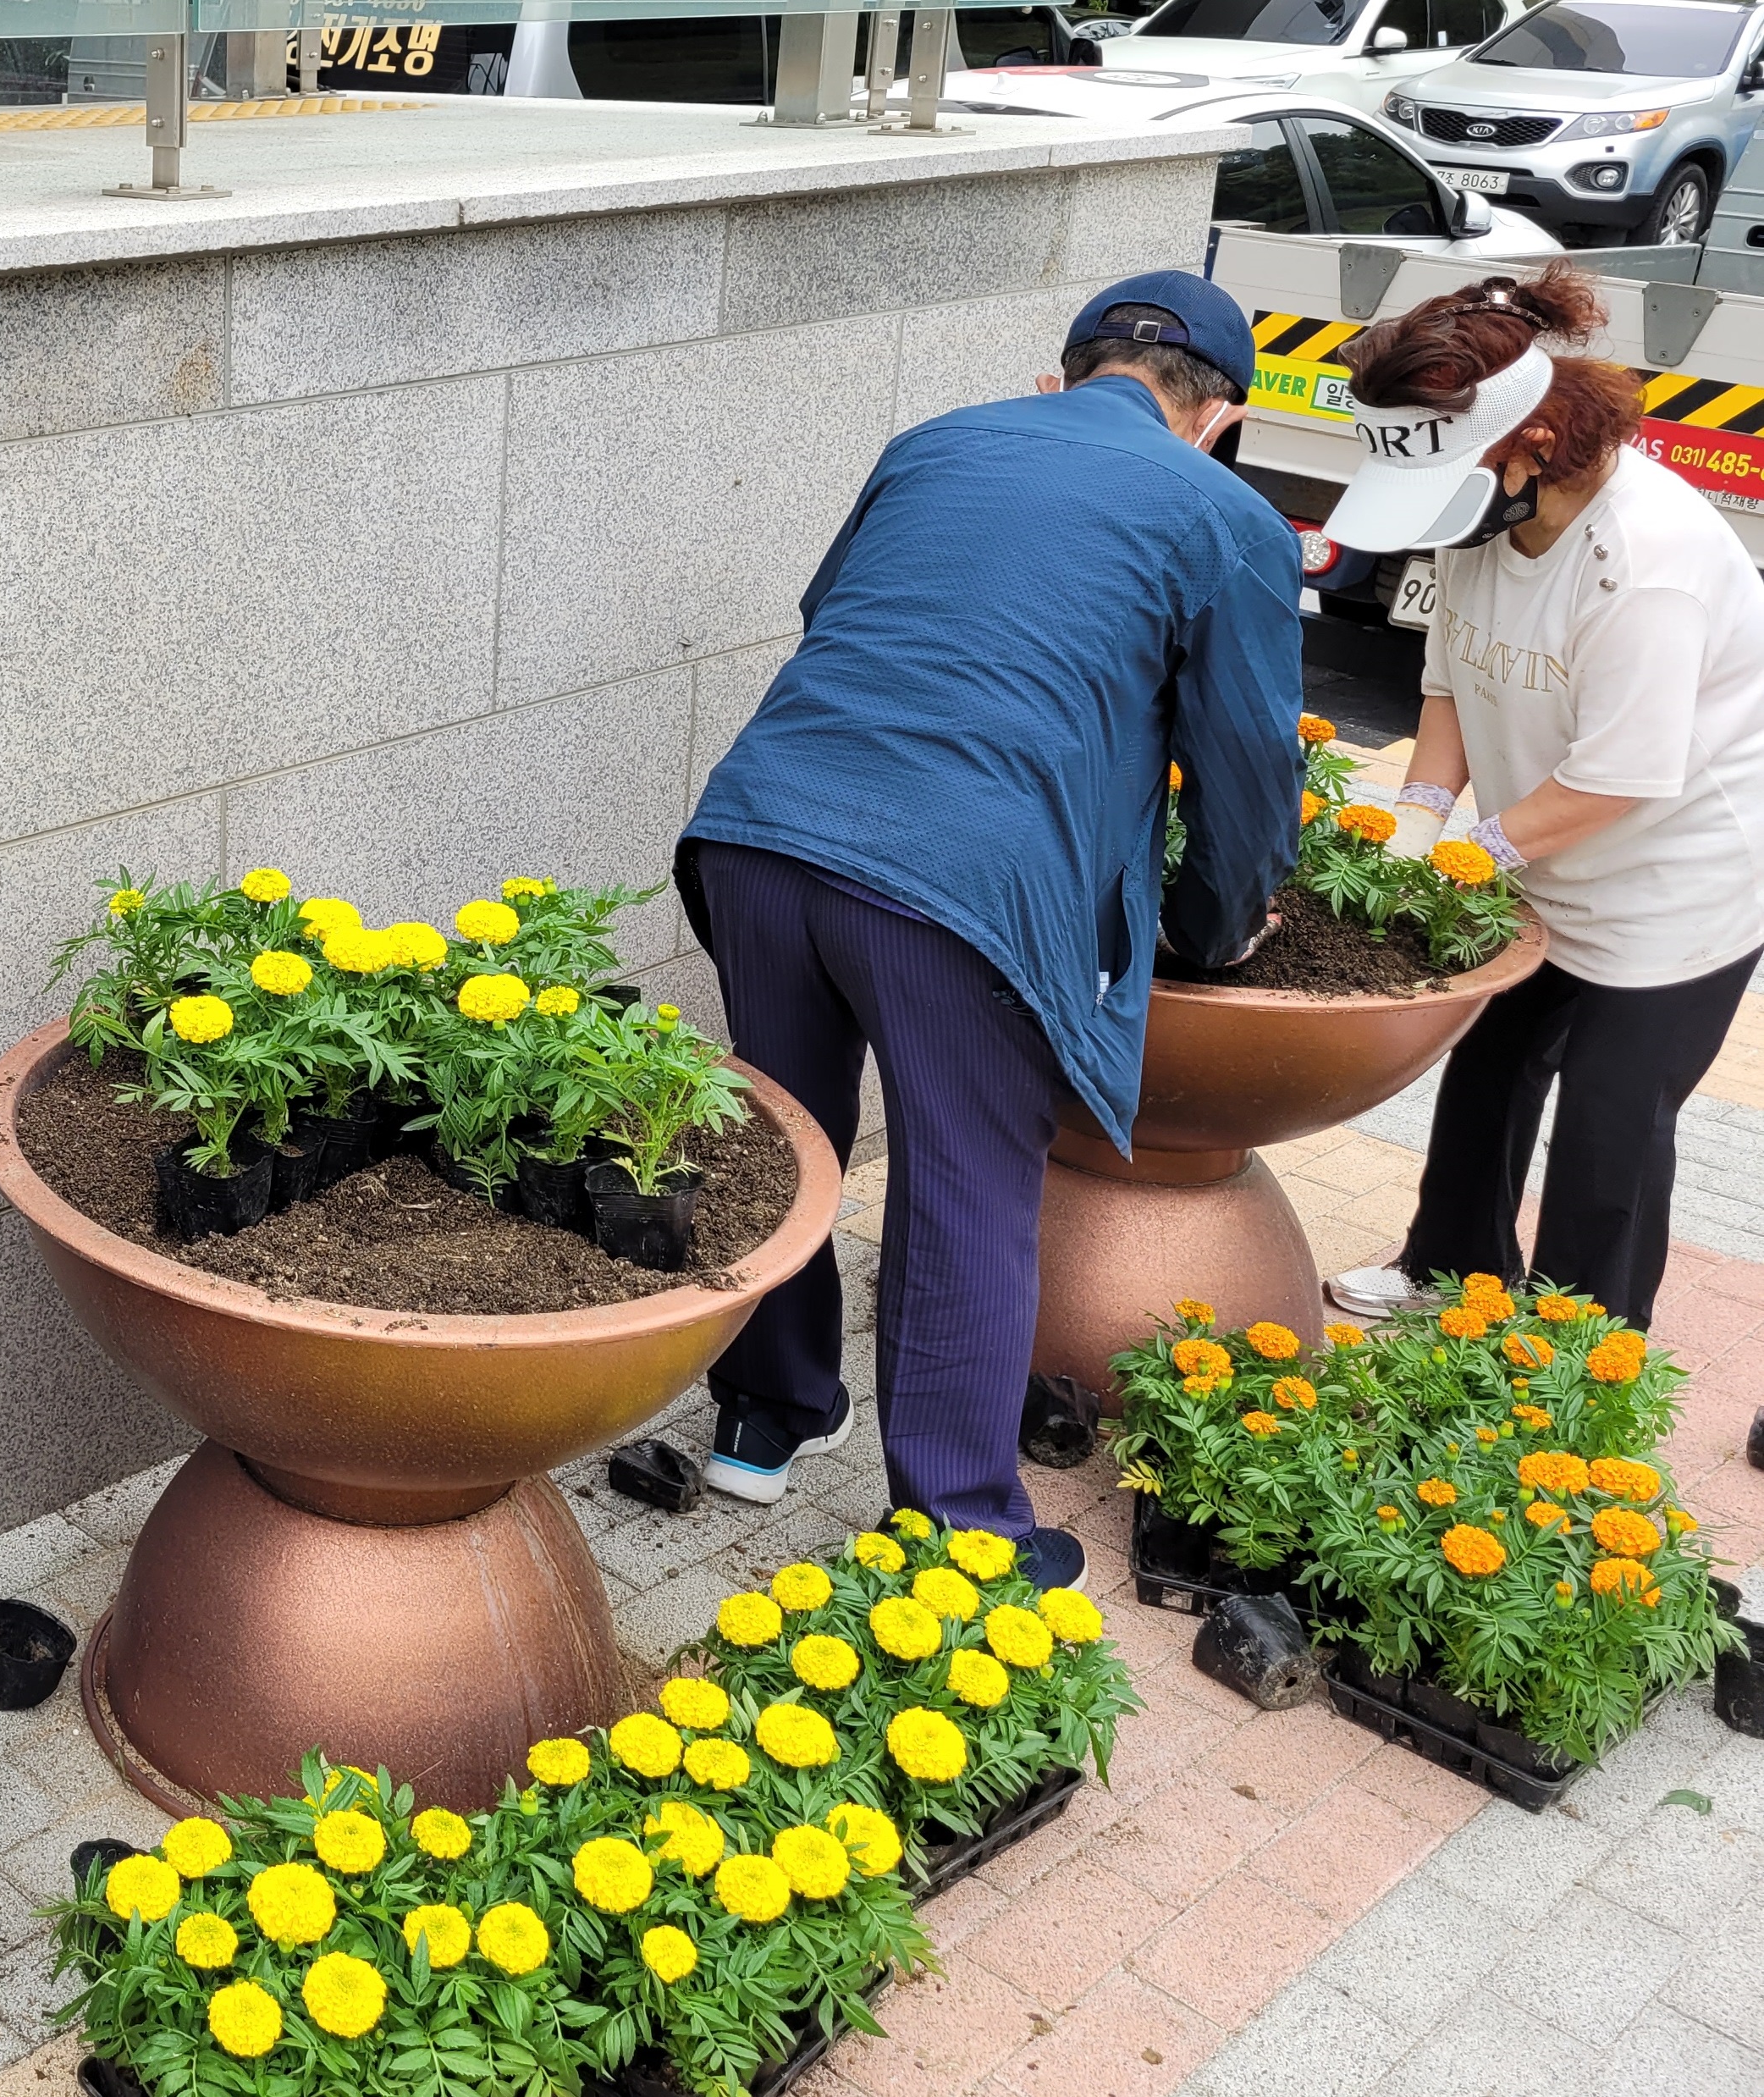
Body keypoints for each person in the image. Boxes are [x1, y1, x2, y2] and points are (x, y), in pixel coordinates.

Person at [675, 273, 1304, 1578]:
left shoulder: (936, 441)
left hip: (759, 830)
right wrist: (1209, 925)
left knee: (787, 1142)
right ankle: (956, 1528)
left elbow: (831, 617)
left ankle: (763, 1415)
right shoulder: (1221, 515)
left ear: (1062, 372)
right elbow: (1243, 766)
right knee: (962, 1191)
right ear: (1219, 413)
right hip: (957, 885)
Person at [1319, 267, 1764, 1332]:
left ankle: (1575, 1362)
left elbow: (1621, 776)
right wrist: (1419, 821)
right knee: (1488, 1069)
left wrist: (1470, 852)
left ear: (1536, 441)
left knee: (1610, 1134)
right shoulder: (1477, 521)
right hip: (1534, 852)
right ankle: (1450, 1273)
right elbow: (1452, 682)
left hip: (1673, 886)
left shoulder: (1646, 561)